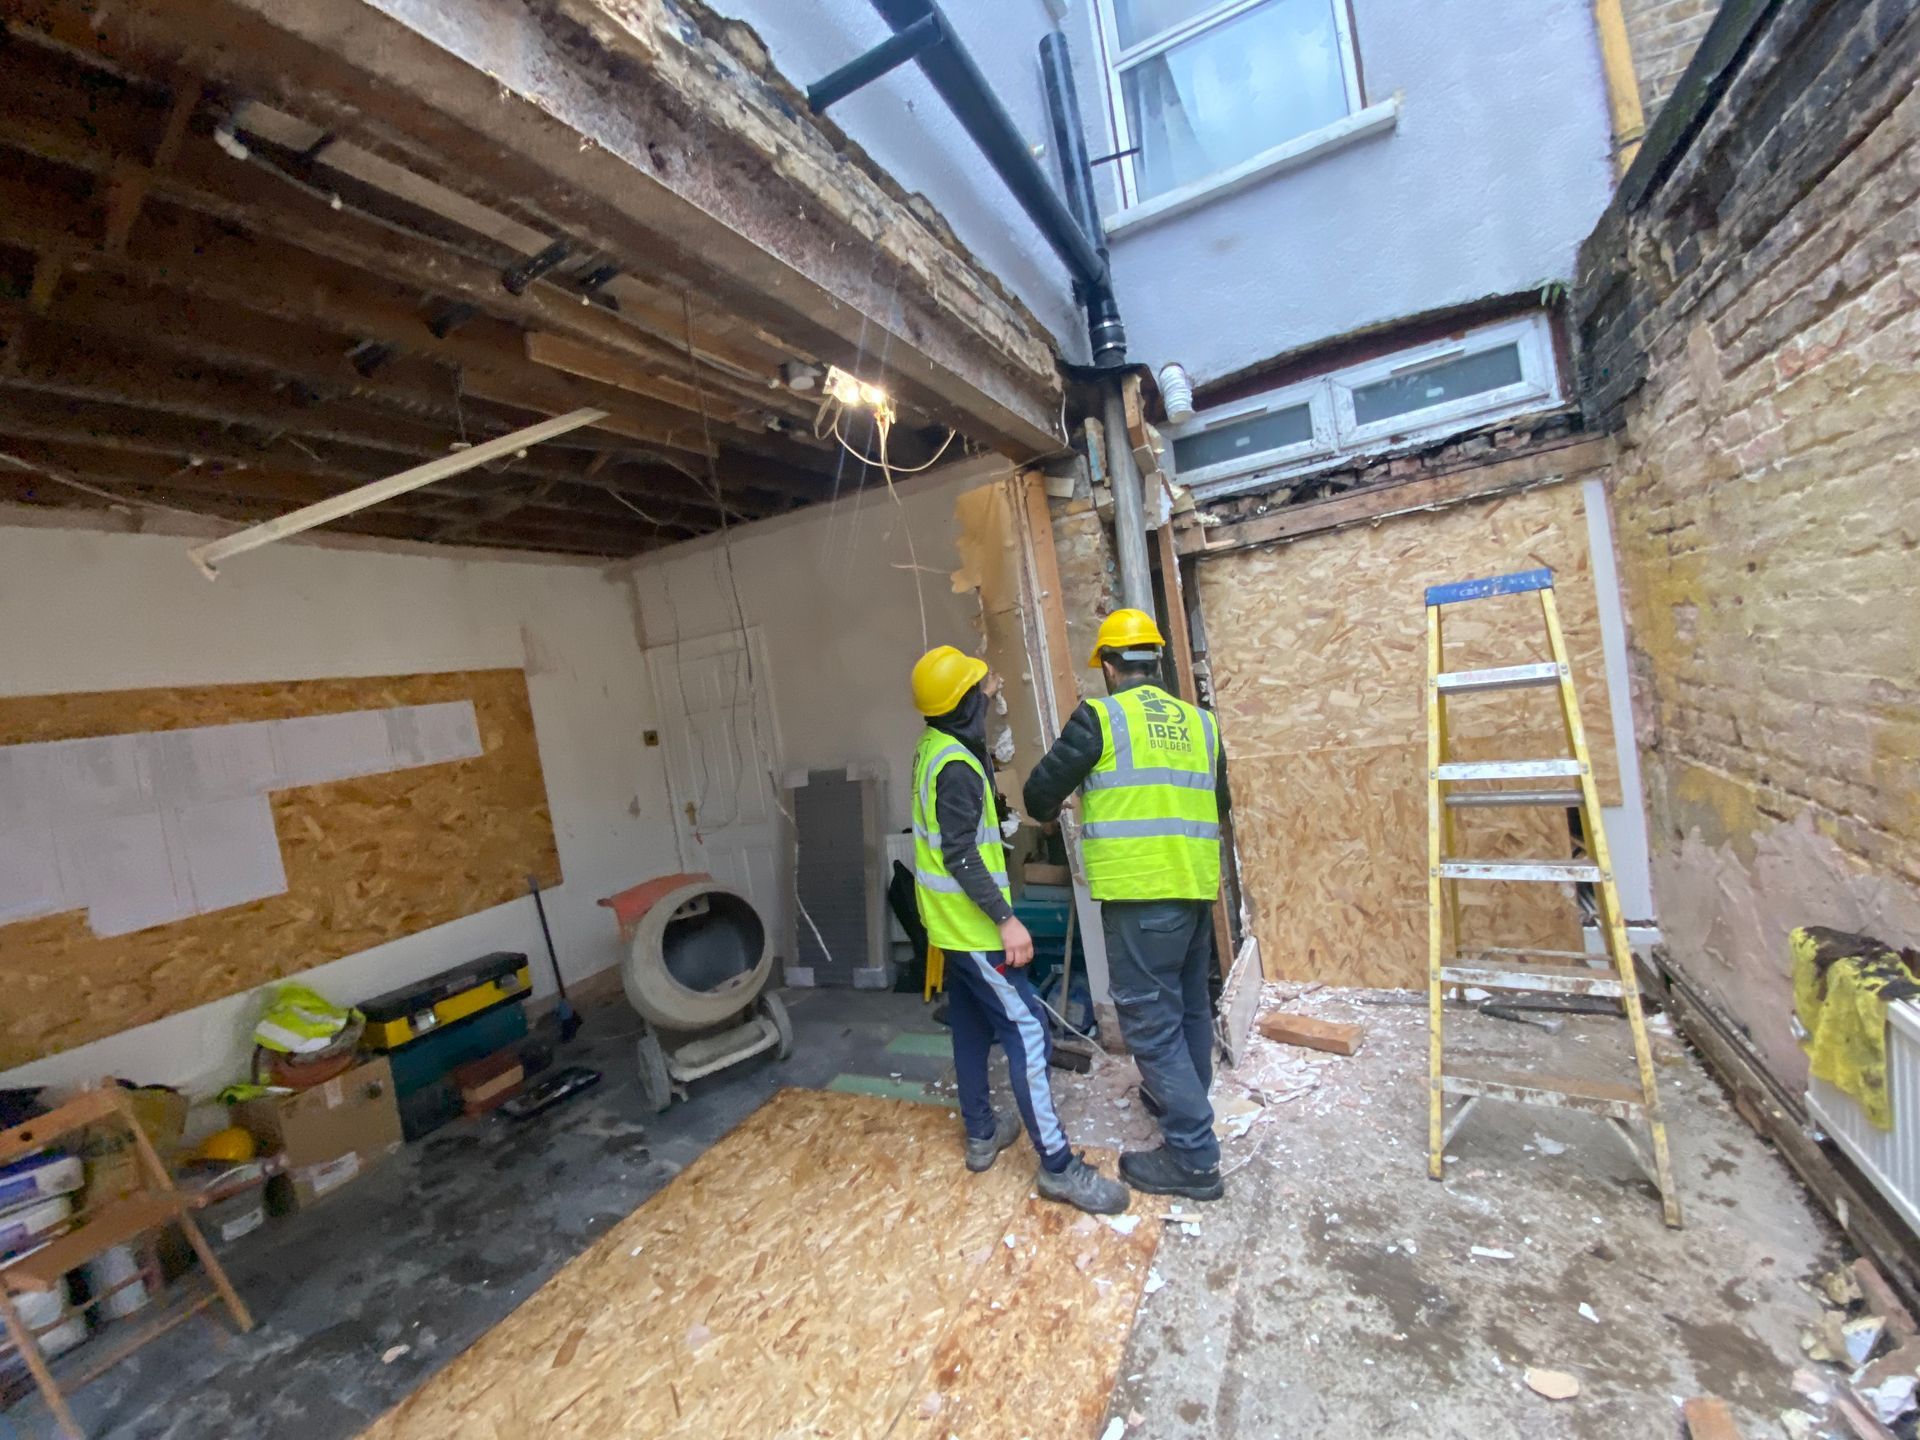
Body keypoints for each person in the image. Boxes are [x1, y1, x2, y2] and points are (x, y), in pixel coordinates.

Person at [909, 644, 1130, 1215]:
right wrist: (1007, 922)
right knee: (1029, 1031)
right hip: (976, 930)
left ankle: (982, 1133)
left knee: (968, 1027)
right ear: (962, 704)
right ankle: (1058, 1168)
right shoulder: (956, 767)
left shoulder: (937, 747)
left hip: (951, 930)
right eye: (982, 696)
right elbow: (960, 853)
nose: (990, 701)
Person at [1022, 609, 1228, 1202]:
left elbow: (1039, 797)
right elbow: (1224, 805)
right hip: (1193, 891)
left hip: (1139, 899)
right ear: (1155, 663)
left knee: (1150, 1026)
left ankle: (1193, 1156)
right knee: (1189, 1008)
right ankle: (1183, 1103)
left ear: (1110, 667)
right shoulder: (1201, 723)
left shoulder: (1100, 719)